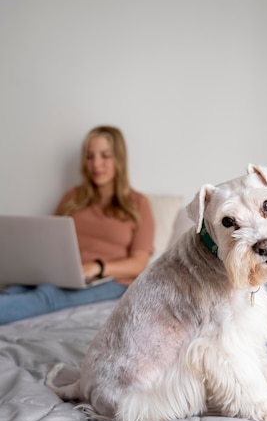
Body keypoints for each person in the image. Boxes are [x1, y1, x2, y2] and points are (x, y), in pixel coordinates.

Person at [0, 125, 155, 324]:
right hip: (63, 274)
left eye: (105, 155)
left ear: (119, 158)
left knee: (48, 296)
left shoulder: (138, 203)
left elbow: (139, 264)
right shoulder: (73, 197)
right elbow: (49, 241)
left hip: (110, 281)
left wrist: (97, 267)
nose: (96, 164)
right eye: (90, 156)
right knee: (14, 289)